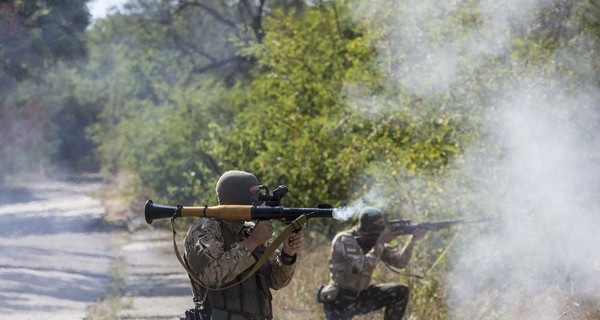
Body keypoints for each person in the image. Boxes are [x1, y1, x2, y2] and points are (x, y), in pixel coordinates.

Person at [183, 170, 305, 320]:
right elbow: (210, 277)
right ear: (237, 194)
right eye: (255, 192)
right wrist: (252, 242)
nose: (258, 198)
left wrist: (288, 254)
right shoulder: (205, 229)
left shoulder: (248, 229)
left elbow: (276, 281)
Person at [319, 206, 426, 320]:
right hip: (341, 299)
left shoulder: (374, 240)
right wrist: (380, 243)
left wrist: (412, 240)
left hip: (361, 296)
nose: (383, 226)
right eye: (379, 223)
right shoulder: (345, 239)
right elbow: (361, 267)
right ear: (368, 224)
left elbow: (400, 262)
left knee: (401, 291)